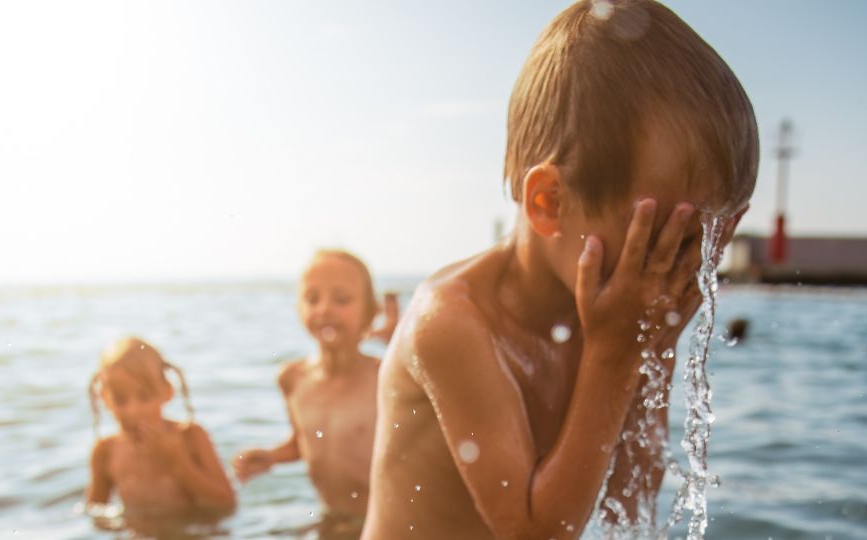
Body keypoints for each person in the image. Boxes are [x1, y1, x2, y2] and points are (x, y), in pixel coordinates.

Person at [361, 1, 758, 538]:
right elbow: (533, 534)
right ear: (549, 203)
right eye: (660, 242)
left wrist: (652, 352)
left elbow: (631, 511)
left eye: (702, 248)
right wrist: (617, 356)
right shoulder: (453, 321)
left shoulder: (606, 321)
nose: (677, 272)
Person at [233, 249, 381, 537]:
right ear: (299, 309)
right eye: (312, 299)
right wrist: (273, 456)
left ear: (370, 313)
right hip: (330, 521)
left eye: (341, 299)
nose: (324, 309)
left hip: (381, 525)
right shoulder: (293, 379)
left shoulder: (384, 379)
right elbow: (308, 441)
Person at [86, 337, 236, 520]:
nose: (133, 411)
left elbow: (227, 502)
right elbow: (94, 511)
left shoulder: (191, 437)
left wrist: (177, 460)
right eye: (120, 400)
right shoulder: (105, 452)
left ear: (167, 391)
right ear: (104, 398)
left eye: (144, 397)